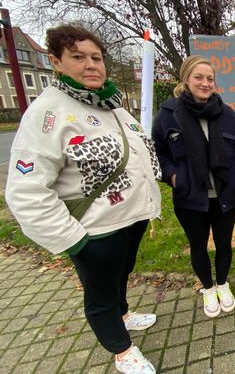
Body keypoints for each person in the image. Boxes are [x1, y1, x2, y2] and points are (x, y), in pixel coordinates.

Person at [5, 25, 162, 374]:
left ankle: (123, 313)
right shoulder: (49, 113)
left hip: (130, 219)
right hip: (94, 230)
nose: (91, 65)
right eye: (78, 57)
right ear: (56, 61)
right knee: (99, 295)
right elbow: (26, 192)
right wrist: (74, 241)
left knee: (120, 276)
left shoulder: (112, 106)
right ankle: (121, 350)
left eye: (96, 57)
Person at [152, 56, 235, 318]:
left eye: (210, 78)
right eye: (199, 77)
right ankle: (208, 288)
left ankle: (222, 284)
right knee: (198, 245)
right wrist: (172, 176)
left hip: (225, 195)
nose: (205, 83)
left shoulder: (226, 114)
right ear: (186, 79)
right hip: (190, 196)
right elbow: (158, 151)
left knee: (224, 243)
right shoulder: (168, 115)